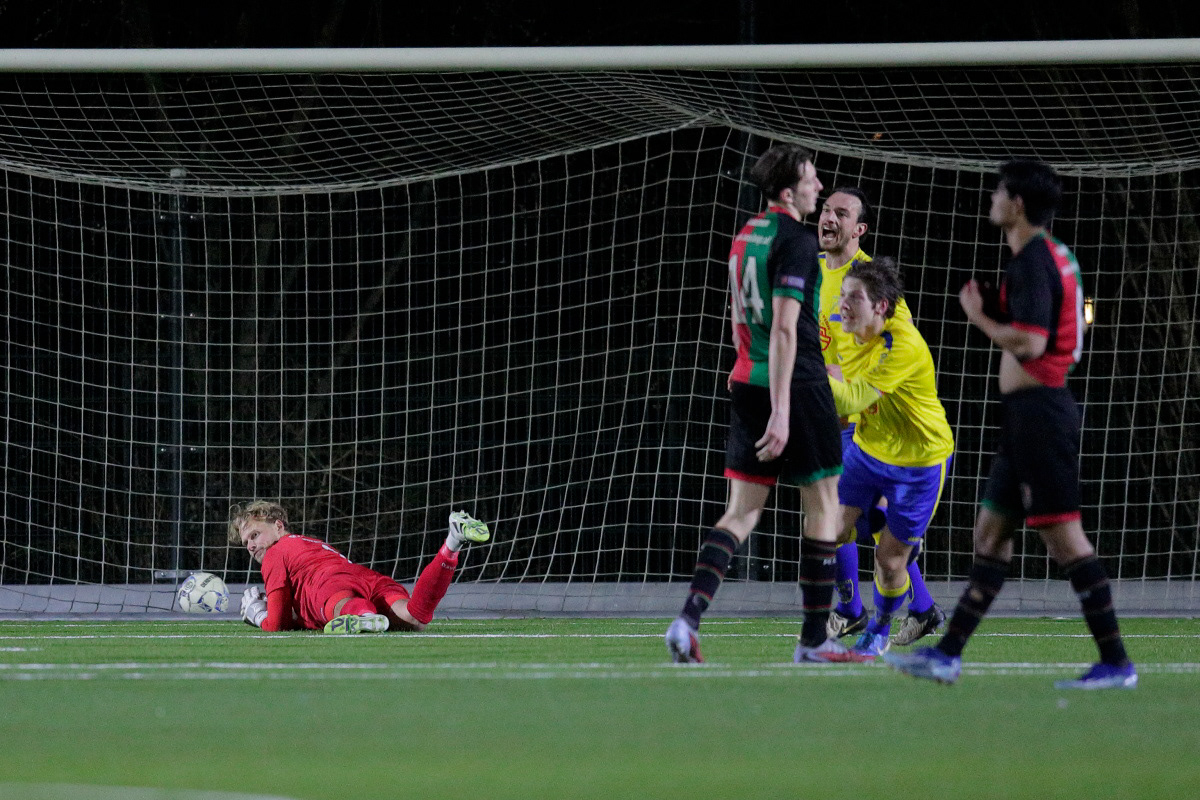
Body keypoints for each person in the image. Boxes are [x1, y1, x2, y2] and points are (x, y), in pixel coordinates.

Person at [884, 159, 1137, 688]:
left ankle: (1116, 661)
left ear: (1018, 203)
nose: (993, 198)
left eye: (1000, 191)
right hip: (1029, 416)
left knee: (1065, 540)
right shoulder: (1047, 256)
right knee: (991, 535)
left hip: (1043, 415)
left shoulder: (1031, 261)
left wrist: (978, 316)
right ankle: (948, 654)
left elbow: (1032, 342)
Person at [664, 142, 847, 664]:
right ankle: (814, 640)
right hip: (794, 384)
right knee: (825, 505)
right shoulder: (795, 239)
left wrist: (743, 367)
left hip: (745, 377)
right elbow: (787, 328)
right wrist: (783, 408)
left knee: (741, 513)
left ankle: (686, 621)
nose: (819, 187)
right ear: (790, 191)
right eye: (812, 180)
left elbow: (737, 312)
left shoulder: (746, 234)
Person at [817, 187, 945, 646]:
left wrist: (819, 383)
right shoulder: (815, 275)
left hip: (878, 423)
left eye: (841, 213)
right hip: (849, 422)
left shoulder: (871, 287)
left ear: (859, 229)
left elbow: (894, 344)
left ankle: (861, 615)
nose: (829, 217)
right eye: (826, 209)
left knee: (875, 535)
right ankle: (907, 608)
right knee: (840, 524)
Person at [229, 501, 490, 633]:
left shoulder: (275, 553)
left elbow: (277, 624)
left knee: (343, 605)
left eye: (254, 535)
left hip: (328, 584)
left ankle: (364, 617)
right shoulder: (310, 543)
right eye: (246, 543)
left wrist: (257, 614)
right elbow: (292, 616)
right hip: (363, 576)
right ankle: (452, 544)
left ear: (278, 526)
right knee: (415, 618)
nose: (251, 546)